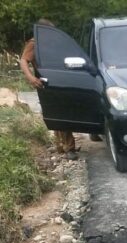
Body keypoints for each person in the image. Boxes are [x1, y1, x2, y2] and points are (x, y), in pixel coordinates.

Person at [20, 19, 78, 160]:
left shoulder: (49, 43)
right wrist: (31, 78)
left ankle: (62, 145)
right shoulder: (34, 43)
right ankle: (69, 147)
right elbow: (23, 60)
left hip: (57, 80)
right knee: (59, 113)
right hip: (46, 83)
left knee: (59, 113)